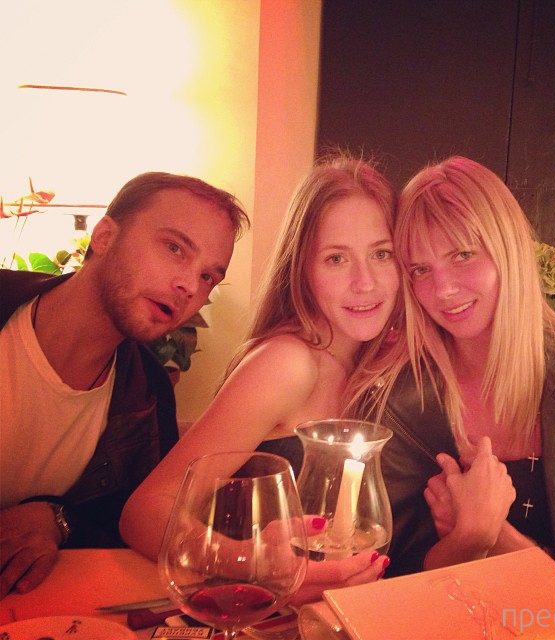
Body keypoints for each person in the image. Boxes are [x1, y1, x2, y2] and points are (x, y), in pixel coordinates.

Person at [368, 156, 555, 630]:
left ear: (508, 247)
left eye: (462, 255)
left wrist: (495, 535)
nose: (443, 289)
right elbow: (393, 586)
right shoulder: (399, 402)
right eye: (421, 269)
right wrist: (470, 539)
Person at [120, 154, 401, 604]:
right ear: (302, 270)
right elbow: (145, 512)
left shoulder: (379, 362)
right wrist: (254, 563)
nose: (365, 282)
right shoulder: (289, 363)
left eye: (381, 254)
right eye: (336, 259)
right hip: (248, 615)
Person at [0, 171, 249, 599]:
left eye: (209, 276)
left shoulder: (148, 395)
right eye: (174, 248)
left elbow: (122, 524)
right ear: (104, 236)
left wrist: (58, 519)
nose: (189, 286)